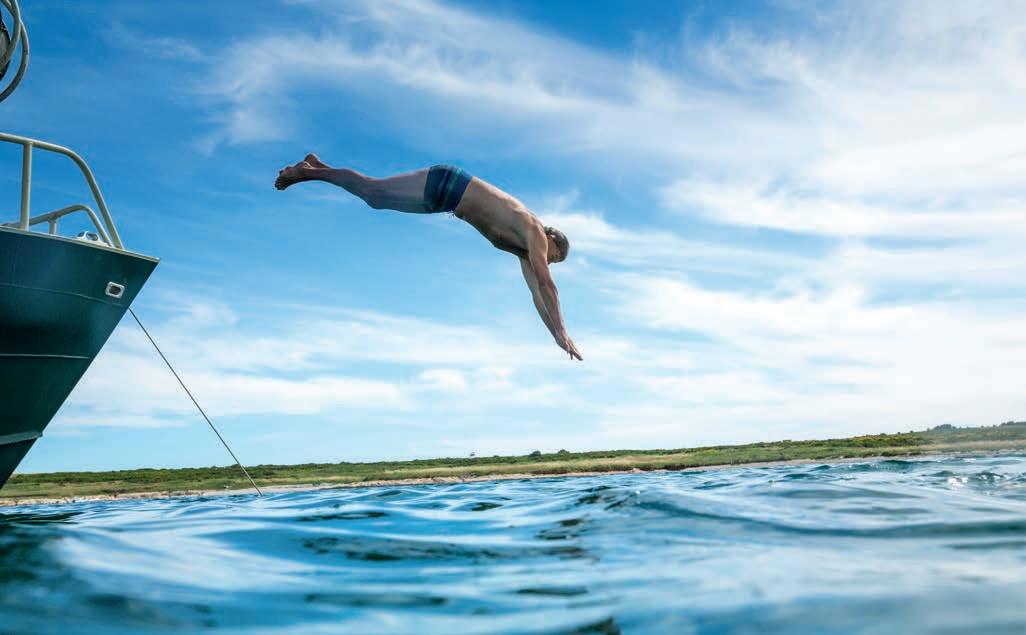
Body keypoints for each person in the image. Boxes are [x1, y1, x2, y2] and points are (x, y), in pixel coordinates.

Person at [275, 156, 582, 360]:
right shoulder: (535, 232)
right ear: (552, 239)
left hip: (445, 201)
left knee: (374, 199)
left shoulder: (523, 250)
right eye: (554, 257)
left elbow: (537, 296)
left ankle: (315, 167)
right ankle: (309, 172)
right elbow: (548, 285)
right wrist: (563, 330)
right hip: (451, 184)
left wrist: (556, 336)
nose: (548, 261)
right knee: (373, 192)